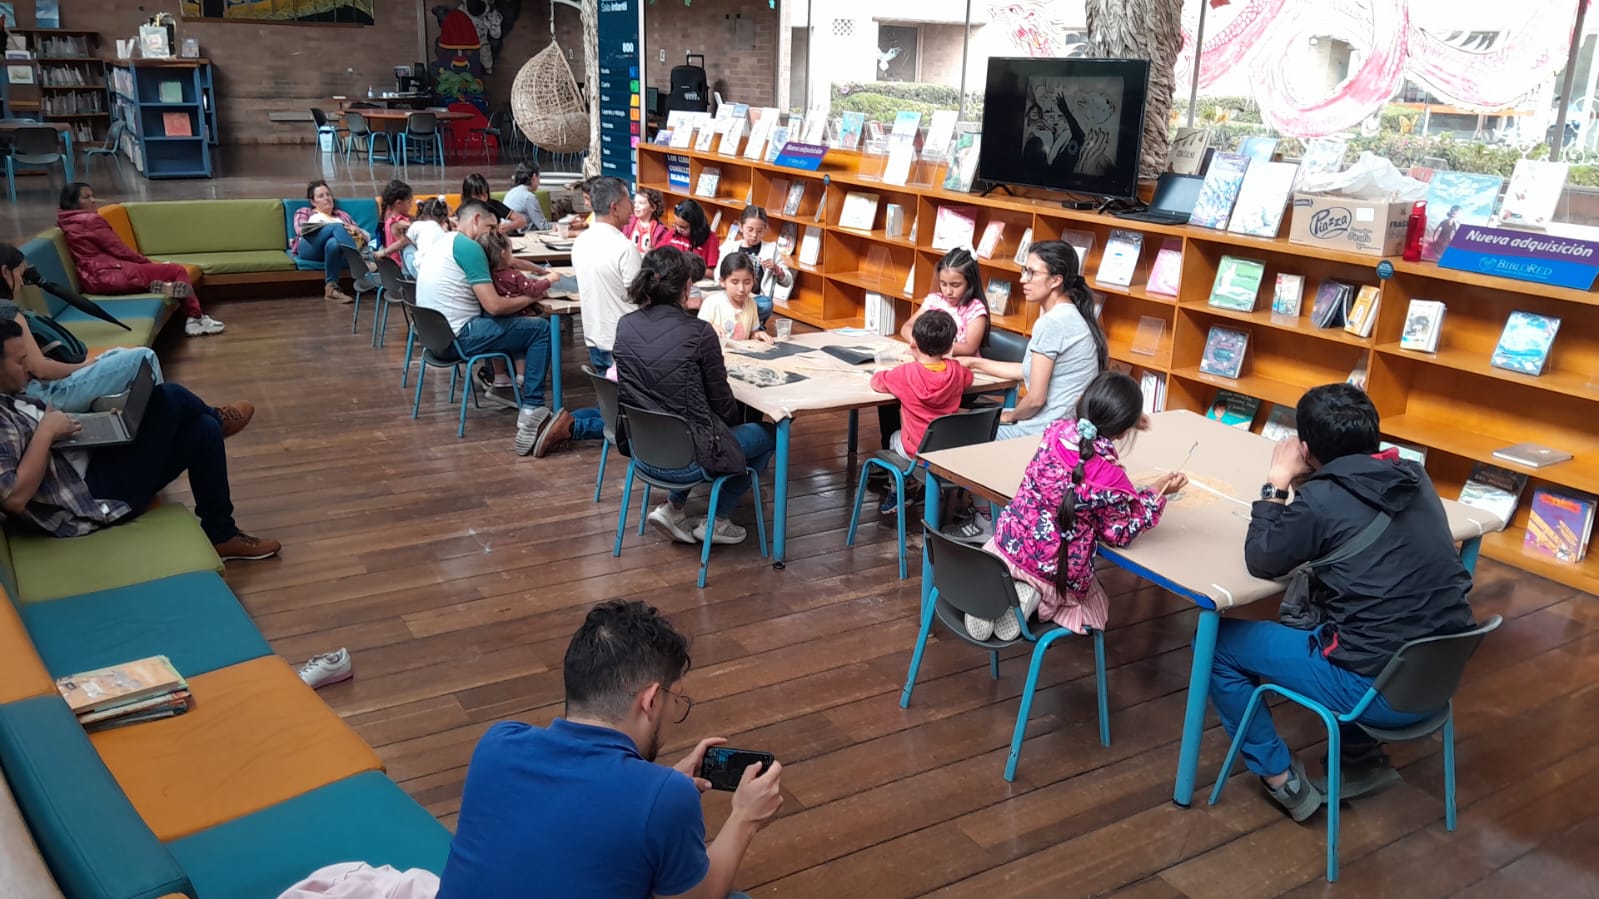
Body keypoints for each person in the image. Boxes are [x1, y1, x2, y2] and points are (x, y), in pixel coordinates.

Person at [1207, 383, 1476, 822]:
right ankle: (1359, 756)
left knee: (1220, 645)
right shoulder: (1416, 476)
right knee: (1361, 615)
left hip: (1373, 690)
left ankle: (1281, 780)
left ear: (1308, 451)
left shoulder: (1320, 500)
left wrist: (1277, 483)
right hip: (1439, 678)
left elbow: (1262, 559)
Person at [437, 599, 783, 899]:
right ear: (650, 700)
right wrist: (745, 817)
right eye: (676, 700)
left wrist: (657, 788)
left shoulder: (497, 744)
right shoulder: (665, 799)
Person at [0, 318, 278, 561]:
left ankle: (222, 534)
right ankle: (220, 417)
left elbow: (42, 432)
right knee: (170, 397)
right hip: (92, 497)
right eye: (20, 361)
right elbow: (13, 498)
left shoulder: (12, 394)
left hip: (91, 464)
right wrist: (47, 432)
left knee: (202, 430)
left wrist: (92, 425)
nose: (29, 368)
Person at [974, 371, 1184, 641]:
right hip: (1052, 572)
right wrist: (1156, 493)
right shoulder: (1112, 480)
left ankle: (1005, 595)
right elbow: (1119, 533)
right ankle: (1036, 599)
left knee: (1030, 557)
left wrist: (1124, 418)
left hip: (1006, 547)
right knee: (1094, 605)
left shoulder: (1055, 432)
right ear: (1122, 431)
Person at [615, 247, 775, 547]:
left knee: (696, 429)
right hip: (689, 458)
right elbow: (723, 405)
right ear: (688, 286)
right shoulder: (699, 333)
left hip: (642, 453)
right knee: (767, 433)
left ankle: (674, 506)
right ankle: (719, 518)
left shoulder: (625, 326)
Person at [0, 244, 251, 432]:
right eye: (20, 275)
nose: (22, 283)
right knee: (144, 355)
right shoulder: (8, 312)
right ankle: (175, 427)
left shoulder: (77, 226)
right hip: (45, 392)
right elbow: (41, 369)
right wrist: (82, 366)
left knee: (119, 354)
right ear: (5, 273)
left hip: (107, 276)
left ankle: (170, 420)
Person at [414, 200, 556, 454]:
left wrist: (534, 270)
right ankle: (532, 407)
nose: (493, 234)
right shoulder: (470, 248)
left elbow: (503, 266)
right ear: (476, 219)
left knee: (515, 322)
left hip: (434, 338)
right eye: (491, 226)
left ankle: (504, 382)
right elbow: (495, 307)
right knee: (539, 328)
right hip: (459, 338)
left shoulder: (446, 242)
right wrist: (533, 296)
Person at [958, 240, 1105, 439]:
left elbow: (1035, 399)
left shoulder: (1052, 323)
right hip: (1063, 431)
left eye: (1032, 273)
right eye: (1024, 270)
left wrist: (1011, 416)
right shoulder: (1070, 316)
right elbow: (1027, 369)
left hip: (1041, 434)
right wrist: (974, 362)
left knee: (953, 431)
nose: (1022, 279)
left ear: (1056, 280)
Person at [55, 182, 223, 337]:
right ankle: (195, 318)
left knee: (159, 287)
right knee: (175, 270)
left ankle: (191, 313)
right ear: (73, 202)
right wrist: (147, 263)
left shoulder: (66, 220)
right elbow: (119, 249)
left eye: (92, 195)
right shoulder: (90, 220)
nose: (93, 201)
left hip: (93, 280)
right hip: (111, 275)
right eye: (86, 197)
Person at [878, 248, 988, 455]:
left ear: (970, 283)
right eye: (943, 284)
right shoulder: (935, 301)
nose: (948, 291)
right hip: (937, 370)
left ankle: (906, 456)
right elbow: (906, 327)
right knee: (891, 400)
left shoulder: (975, 309)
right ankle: (918, 454)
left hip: (959, 379)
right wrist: (921, 342)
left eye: (956, 285)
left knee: (901, 391)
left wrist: (932, 344)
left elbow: (969, 347)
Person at [869, 308, 972, 485]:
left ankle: (899, 489)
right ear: (949, 347)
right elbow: (968, 378)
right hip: (947, 452)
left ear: (913, 343)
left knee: (894, 437)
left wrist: (879, 373)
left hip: (917, 453)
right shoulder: (956, 371)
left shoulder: (906, 374)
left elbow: (877, 382)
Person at [572, 177, 643, 375]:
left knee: (606, 397)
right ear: (614, 207)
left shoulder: (580, 242)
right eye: (628, 201)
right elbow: (639, 296)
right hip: (623, 342)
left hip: (594, 337)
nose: (632, 207)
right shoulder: (624, 247)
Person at [290, 180, 372, 303]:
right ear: (313, 202)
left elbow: (363, 241)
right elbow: (301, 231)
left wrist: (357, 231)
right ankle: (360, 265)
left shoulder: (342, 216)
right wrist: (327, 228)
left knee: (333, 243)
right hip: (309, 247)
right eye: (321, 196)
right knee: (338, 227)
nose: (326, 198)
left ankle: (331, 289)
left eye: (328, 194)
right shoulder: (305, 212)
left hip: (335, 251)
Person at [718, 206, 789, 326]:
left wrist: (777, 269)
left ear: (766, 229)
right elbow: (718, 276)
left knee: (766, 304)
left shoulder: (771, 249)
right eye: (750, 230)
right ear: (741, 227)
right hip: (731, 297)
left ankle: (740, 322)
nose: (754, 235)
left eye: (759, 231)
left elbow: (787, 281)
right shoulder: (729, 247)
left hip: (755, 299)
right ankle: (749, 324)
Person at [697, 254, 769, 343]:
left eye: (747, 282)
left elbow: (752, 334)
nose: (741, 289)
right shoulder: (712, 303)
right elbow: (697, 332)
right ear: (722, 282)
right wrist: (710, 329)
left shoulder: (752, 304)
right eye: (735, 282)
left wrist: (758, 335)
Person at [390, 197, 451, 278]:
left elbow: (401, 241)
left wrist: (383, 252)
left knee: (406, 245)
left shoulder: (417, 225)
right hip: (438, 273)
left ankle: (406, 277)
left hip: (420, 273)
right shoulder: (445, 232)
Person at [664, 198, 719, 274]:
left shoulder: (711, 238)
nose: (679, 229)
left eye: (683, 227)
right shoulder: (672, 234)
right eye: (676, 225)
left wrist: (689, 270)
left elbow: (712, 273)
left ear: (695, 225)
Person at [502, 161, 551, 232]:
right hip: (518, 235)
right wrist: (560, 226)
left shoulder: (511, 192)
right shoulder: (529, 197)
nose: (539, 182)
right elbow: (543, 226)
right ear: (534, 177)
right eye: (539, 177)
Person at [625, 188, 671, 254]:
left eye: (641, 203)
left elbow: (662, 254)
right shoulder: (627, 222)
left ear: (653, 207)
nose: (636, 206)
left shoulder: (661, 231)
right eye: (635, 202)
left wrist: (654, 253)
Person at [377, 179, 414, 254]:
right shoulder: (399, 223)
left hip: (393, 259)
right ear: (399, 203)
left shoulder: (388, 214)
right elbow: (417, 227)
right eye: (409, 202)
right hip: (400, 263)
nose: (411, 205)